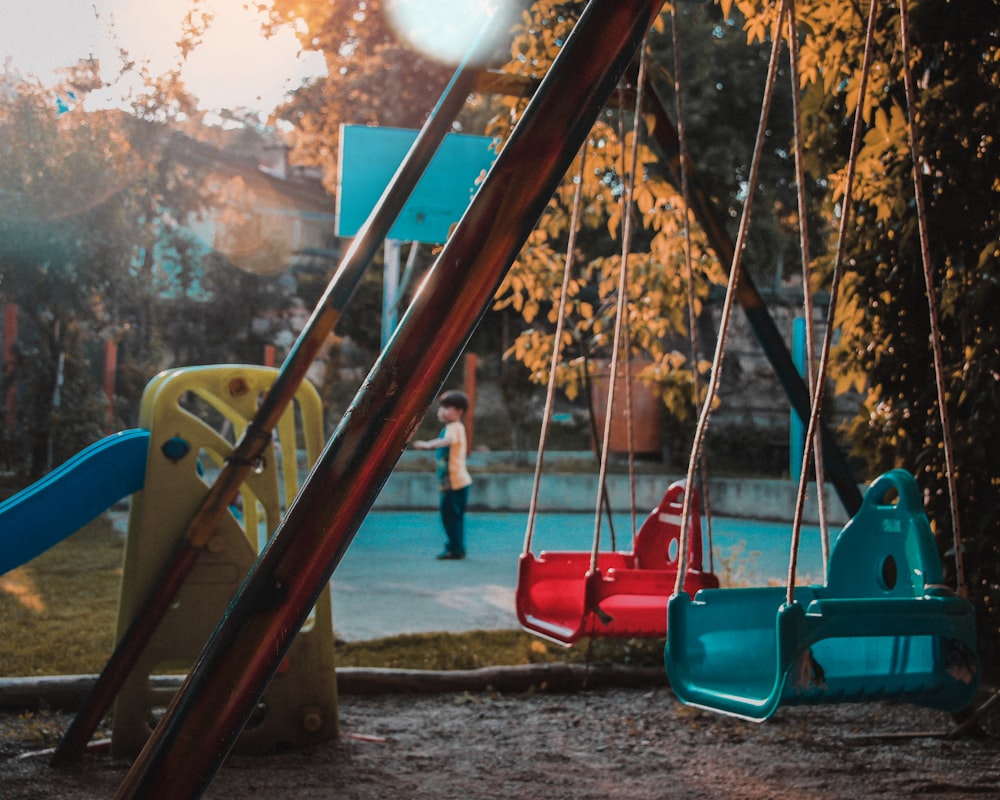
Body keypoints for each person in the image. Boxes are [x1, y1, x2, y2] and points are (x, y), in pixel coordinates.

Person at [412, 390, 472, 560]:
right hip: (454, 482)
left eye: (448, 408)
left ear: (459, 412)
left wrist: (427, 444)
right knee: (454, 516)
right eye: (442, 408)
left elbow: (447, 441)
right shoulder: (453, 427)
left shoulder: (454, 428)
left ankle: (454, 548)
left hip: (454, 483)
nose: (443, 412)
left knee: (450, 516)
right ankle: (457, 547)